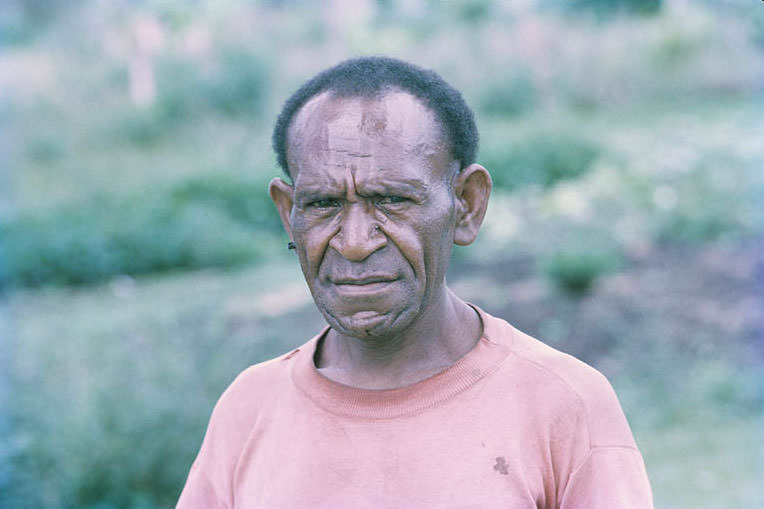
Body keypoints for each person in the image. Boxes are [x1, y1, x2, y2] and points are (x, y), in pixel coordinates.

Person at [177, 56, 653, 508]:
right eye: (323, 204)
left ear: (466, 204)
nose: (355, 242)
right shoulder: (250, 409)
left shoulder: (562, 404)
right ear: (288, 213)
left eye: (392, 200)